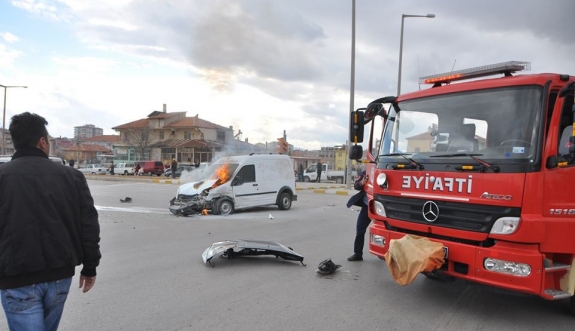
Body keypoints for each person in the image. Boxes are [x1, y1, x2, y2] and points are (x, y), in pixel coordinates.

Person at [0, 112, 101, 330]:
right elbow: (88, 226)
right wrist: (90, 267)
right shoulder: (72, 177)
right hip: (59, 276)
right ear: (42, 142)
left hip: (16, 277)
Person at [346, 170, 370, 261]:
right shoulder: (366, 173)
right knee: (360, 230)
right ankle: (358, 254)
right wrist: (362, 182)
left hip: (382, 206)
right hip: (367, 206)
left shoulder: (386, 171)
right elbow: (356, 186)